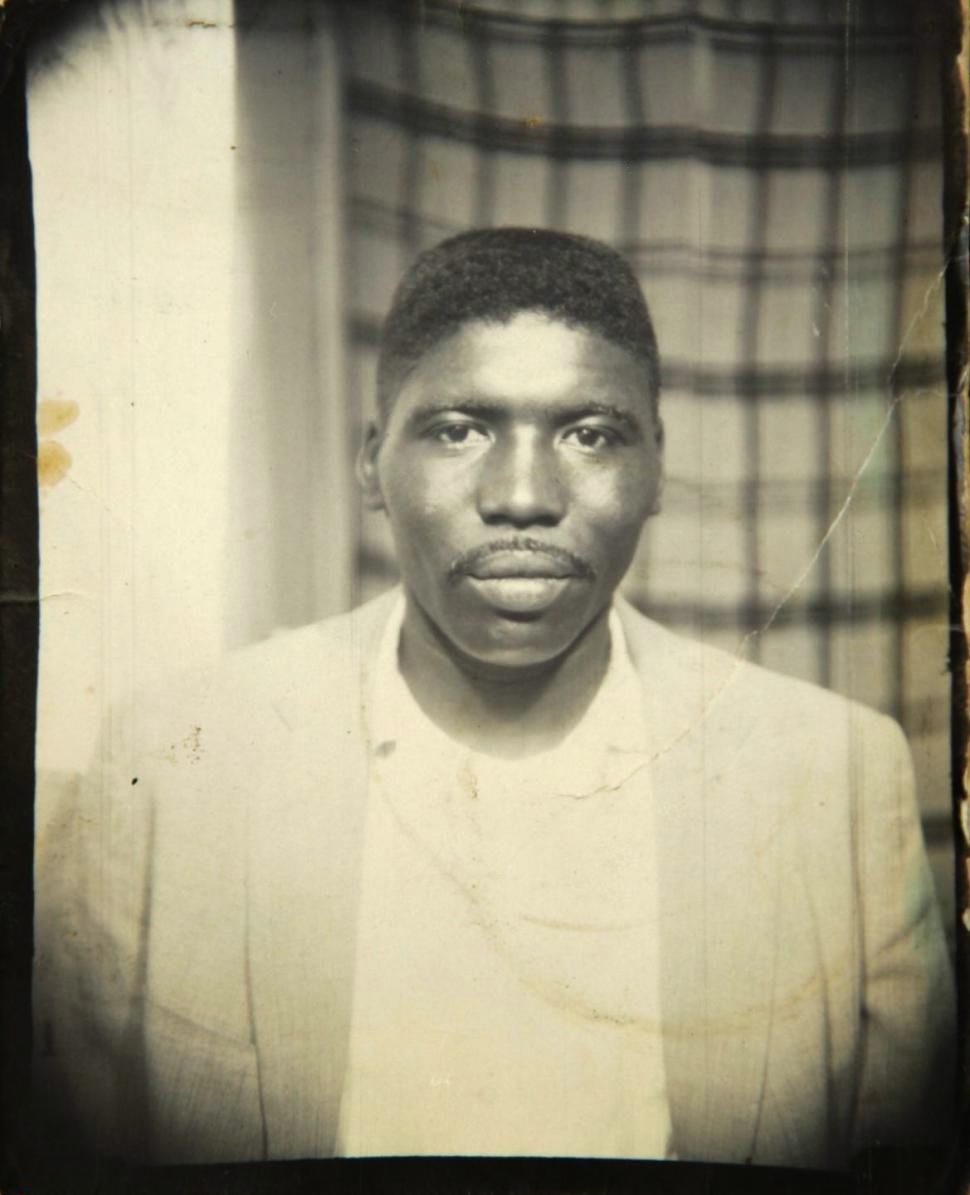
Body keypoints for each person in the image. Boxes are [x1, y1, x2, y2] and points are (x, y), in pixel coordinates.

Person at [34, 228, 955, 1170]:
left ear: (656, 471)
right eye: (459, 428)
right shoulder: (171, 769)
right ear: (371, 464)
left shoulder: (833, 778)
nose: (523, 495)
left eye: (590, 434)